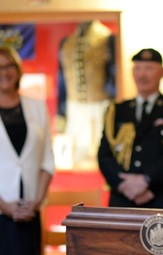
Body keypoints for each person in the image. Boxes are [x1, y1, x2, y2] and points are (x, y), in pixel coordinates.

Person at [98, 48, 163, 210]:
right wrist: (124, 185)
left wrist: (147, 182)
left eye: (149, 68)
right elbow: (104, 155)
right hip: (123, 200)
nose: (142, 75)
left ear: (162, 72)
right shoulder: (116, 111)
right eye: (137, 68)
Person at [0, 46, 55, 255]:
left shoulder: (37, 106)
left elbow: (47, 161)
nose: (4, 72)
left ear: (18, 69)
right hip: (1, 212)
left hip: (29, 211)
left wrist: (35, 202)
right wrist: (4, 206)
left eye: (9, 65)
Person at [58, 20, 116, 168]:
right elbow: (61, 82)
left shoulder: (106, 38)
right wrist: (61, 114)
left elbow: (114, 74)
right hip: (74, 107)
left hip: (101, 105)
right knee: (77, 159)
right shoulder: (67, 42)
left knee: (103, 153)